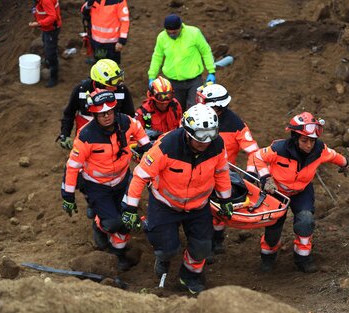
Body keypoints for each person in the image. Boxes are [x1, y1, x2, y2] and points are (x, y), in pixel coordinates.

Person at [123, 104, 233, 294]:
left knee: (202, 248)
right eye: (200, 136)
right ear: (188, 132)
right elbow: (140, 175)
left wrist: (225, 199)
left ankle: (189, 276)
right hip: (165, 204)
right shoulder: (167, 147)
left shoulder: (217, 145)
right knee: (167, 249)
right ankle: (161, 253)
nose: (205, 142)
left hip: (198, 206)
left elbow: (221, 172)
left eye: (210, 135)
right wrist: (130, 208)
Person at [61, 88, 151, 271]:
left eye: (109, 112)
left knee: (126, 220)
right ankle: (99, 224)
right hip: (97, 186)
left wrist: (146, 146)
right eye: (101, 114)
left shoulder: (126, 122)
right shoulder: (86, 136)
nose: (107, 116)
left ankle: (118, 253)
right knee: (112, 223)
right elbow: (72, 166)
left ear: (114, 110)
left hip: (123, 179)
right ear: (94, 114)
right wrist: (67, 195)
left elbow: (138, 127)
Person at [254, 112, 348, 273]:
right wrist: (265, 178)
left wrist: (345, 164)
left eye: (312, 140)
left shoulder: (319, 150)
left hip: (301, 191)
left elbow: (334, 156)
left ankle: (303, 258)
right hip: (276, 191)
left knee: (306, 221)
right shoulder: (279, 149)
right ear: (295, 137)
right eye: (305, 140)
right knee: (273, 229)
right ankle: (268, 257)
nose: (309, 145)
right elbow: (258, 157)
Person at [196, 83, 259, 256]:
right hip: (196, 171)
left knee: (220, 209)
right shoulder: (195, 117)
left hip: (222, 175)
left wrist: (251, 174)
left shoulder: (236, 124)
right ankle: (203, 243)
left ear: (217, 106)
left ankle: (216, 240)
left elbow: (253, 151)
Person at [58, 59, 135, 150]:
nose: (116, 86)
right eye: (113, 82)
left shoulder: (121, 90)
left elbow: (130, 116)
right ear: (100, 83)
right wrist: (65, 134)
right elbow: (69, 113)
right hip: (86, 139)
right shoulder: (81, 90)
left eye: (119, 79)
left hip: (112, 138)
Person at [147, 14, 216, 111]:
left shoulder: (194, 33)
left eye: (175, 32)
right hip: (173, 82)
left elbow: (206, 51)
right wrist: (151, 76)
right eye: (169, 33)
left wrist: (211, 71)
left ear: (181, 27)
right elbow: (157, 57)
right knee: (176, 110)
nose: (172, 35)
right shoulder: (162, 37)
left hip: (194, 81)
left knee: (196, 108)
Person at [81, 0, 129, 64]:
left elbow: (125, 21)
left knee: (112, 65)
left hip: (112, 44)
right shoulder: (94, 1)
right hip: (97, 42)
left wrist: (122, 41)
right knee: (100, 61)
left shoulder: (119, 1)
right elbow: (84, 11)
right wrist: (89, 4)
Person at [135, 76, 182, 141]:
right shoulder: (143, 113)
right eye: (160, 98)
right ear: (152, 97)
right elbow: (136, 138)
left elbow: (181, 125)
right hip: (155, 147)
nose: (165, 103)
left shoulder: (175, 105)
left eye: (168, 96)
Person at [29, 0, 62, 88]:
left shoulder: (46, 1)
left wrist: (38, 23)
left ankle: (54, 77)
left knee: (51, 52)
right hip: (46, 28)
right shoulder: (39, 1)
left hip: (51, 29)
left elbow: (52, 17)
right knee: (46, 44)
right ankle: (49, 62)